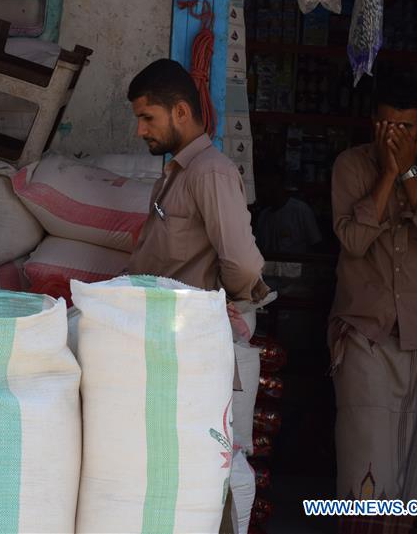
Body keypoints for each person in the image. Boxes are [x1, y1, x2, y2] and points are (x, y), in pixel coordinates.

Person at [125, 58, 270, 534]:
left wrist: (220, 304)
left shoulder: (211, 173)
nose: (140, 130)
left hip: (191, 347)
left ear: (181, 112)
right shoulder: (178, 172)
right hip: (167, 344)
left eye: (148, 117)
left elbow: (243, 264)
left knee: (197, 471)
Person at [329, 84, 417, 533]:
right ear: (373, 123)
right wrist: (388, 176)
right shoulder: (350, 165)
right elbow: (353, 241)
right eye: (386, 125)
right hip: (363, 329)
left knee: (410, 452)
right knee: (365, 448)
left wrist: (409, 174)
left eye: (404, 127)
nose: (393, 135)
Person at [254, 169, 322, 255]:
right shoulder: (263, 216)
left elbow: (316, 245)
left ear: (275, 181)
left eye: (262, 185)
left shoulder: (301, 210)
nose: (259, 191)